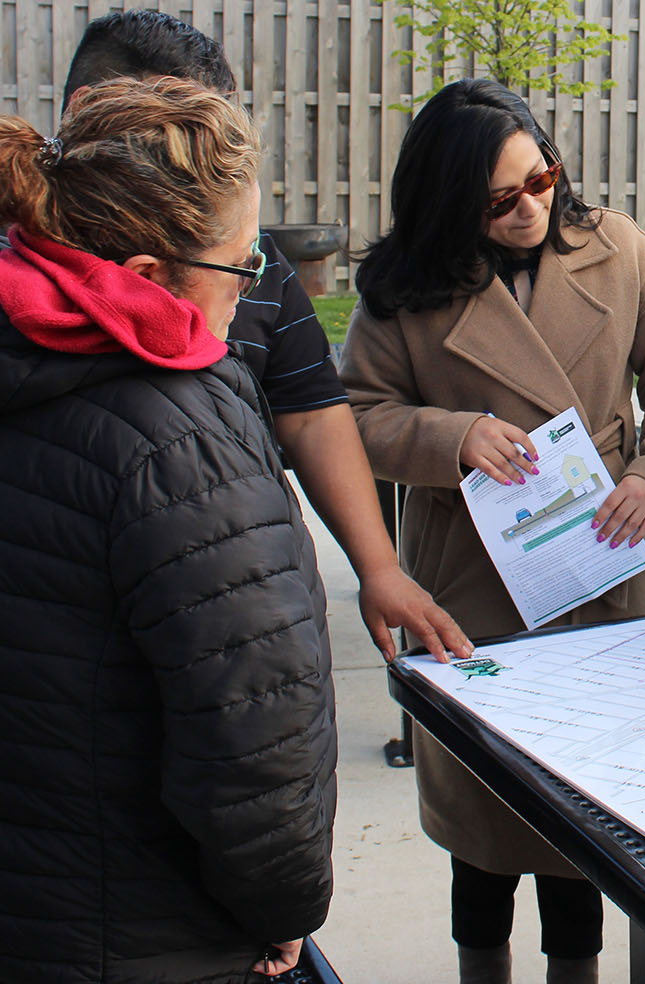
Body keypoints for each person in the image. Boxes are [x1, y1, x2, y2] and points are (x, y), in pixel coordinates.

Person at [340, 79, 645, 984]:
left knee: (587, 832)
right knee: (485, 838)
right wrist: (450, 435)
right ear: (448, 203)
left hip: (603, 575)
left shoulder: (617, 248)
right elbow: (353, 414)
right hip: (472, 593)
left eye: (541, 178)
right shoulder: (407, 292)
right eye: (500, 199)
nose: (531, 209)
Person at [0, 76, 336, 981]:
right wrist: (284, 908)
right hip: (152, 930)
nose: (255, 285)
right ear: (146, 279)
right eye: (242, 264)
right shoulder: (182, 434)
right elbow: (255, 740)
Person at [57, 8, 471, 662]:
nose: (250, 279)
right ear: (93, 110)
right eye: (181, 128)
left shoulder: (244, 257)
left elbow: (312, 411)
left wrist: (379, 567)